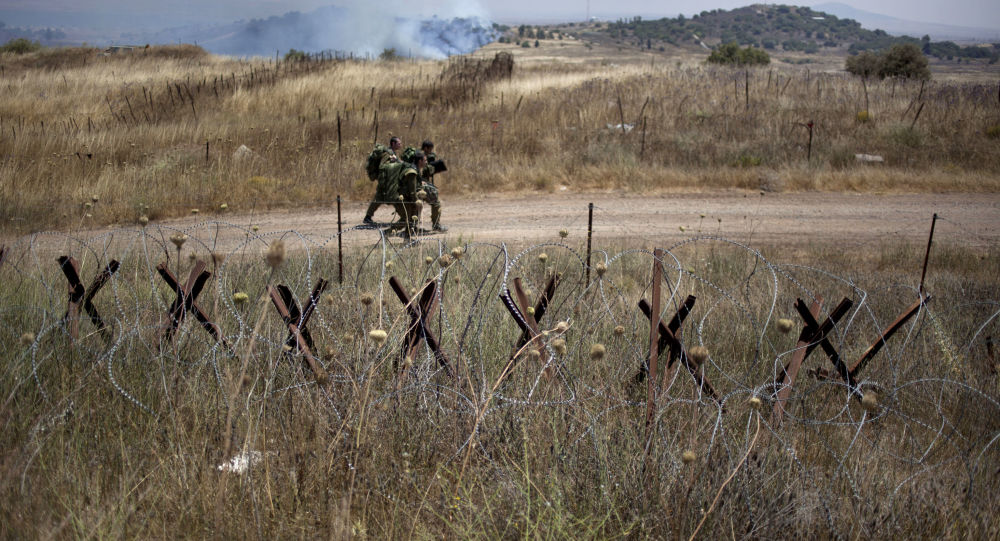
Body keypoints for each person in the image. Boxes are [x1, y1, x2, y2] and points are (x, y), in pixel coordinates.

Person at [378, 150, 421, 239]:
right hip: (403, 199)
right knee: (407, 220)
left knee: (409, 219)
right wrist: (416, 202)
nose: (426, 162)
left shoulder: (405, 167)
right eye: (425, 160)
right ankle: (387, 233)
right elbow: (412, 191)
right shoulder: (411, 171)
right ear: (419, 161)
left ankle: (407, 238)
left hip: (400, 197)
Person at [363, 136, 403, 225]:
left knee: (379, 198)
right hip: (385, 181)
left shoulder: (393, 153)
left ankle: (368, 217)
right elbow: (382, 167)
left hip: (387, 181)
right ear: (393, 144)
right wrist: (394, 163)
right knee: (393, 198)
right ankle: (404, 217)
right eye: (399, 143)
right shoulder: (387, 154)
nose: (400, 145)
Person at [416, 140, 447, 232]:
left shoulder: (419, 155)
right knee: (434, 203)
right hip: (419, 186)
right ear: (426, 148)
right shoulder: (421, 156)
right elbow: (423, 172)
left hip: (420, 184)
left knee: (418, 206)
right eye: (430, 149)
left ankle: (412, 227)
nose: (431, 151)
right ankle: (436, 225)